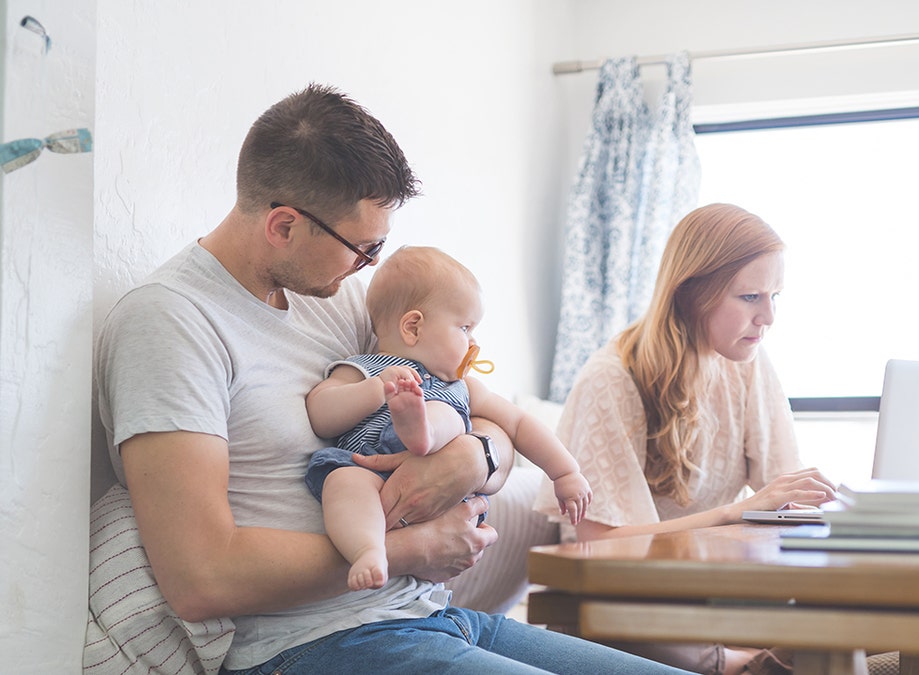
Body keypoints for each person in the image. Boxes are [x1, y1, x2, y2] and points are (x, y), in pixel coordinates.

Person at [95, 83, 686, 674]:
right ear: (283, 226)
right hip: (315, 643)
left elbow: (475, 404)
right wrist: (414, 548)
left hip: (431, 615)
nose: (370, 265)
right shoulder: (170, 324)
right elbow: (201, 578)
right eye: (363, 247)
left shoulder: (339, 300)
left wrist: (474, 458)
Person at [534, 202, 839, 675]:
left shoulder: (747, 364)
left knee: (847, 616)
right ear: (693, 292)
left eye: (776, 296)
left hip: (709, 590)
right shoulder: (613, 378)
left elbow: (785, 494)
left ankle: (748, 659)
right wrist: (732, 513)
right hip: (625, 597)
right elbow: (599, 543)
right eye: (751, 297)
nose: (769, 318)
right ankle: (738, 663)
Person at [305, 245, 592, 591]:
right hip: (368, 472)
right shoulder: (363, 369)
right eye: (465, 328)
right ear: (413, 327)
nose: (473, 342)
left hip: (437, 497)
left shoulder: (464, 387)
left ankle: (421, 429)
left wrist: (565, 471)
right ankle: (369, 550)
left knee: (449, 415)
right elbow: (321, 414)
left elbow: (518, 423)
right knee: (342, 483)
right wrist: (375, 391)